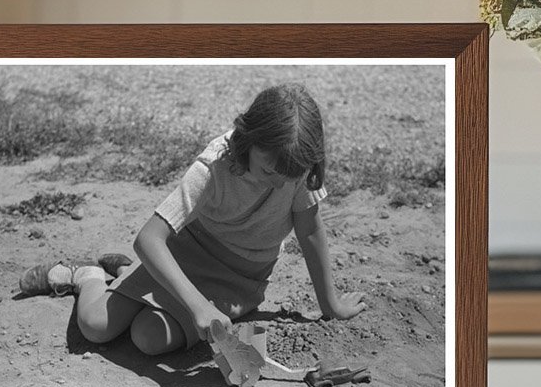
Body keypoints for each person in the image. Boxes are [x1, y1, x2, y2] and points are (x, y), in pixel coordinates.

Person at [18, 82, 366, 356]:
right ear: (250, 141)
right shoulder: (215, 165)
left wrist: (330, 305)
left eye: (288, 178)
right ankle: (89, 275)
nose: (279, 184)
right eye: (269, 171)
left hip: (240, 279)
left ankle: (126, 273)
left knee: (148, 337)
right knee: (96, 326)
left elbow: (310, 231)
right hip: (186, 257)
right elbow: (148, 239)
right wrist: (198, 306)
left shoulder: (294, 164)